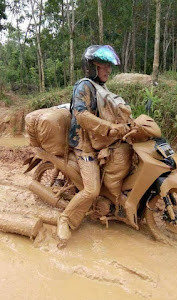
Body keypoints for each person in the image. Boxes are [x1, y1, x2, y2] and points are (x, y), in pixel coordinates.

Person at [57, 45, 133, 247]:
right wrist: (109, 128)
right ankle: (65, 219)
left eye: (109, 67)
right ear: (91, 67)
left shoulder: (101, 87)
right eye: (103, 66)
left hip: (99, 139)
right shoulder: (84, 86)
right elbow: (81, 115)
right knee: (91, 190)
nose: (108, 70)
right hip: (84, 144)